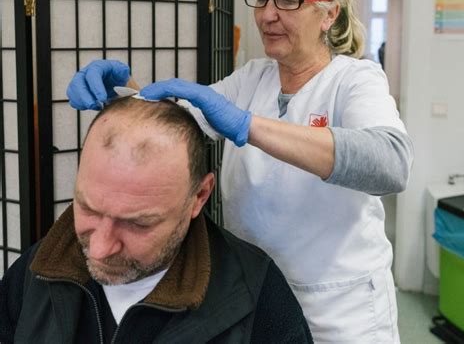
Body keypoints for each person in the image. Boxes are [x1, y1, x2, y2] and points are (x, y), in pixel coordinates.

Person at [66, 0, 414, 342]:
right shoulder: (253, 78)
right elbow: (177, 124)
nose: (267, 14)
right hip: (258, 294)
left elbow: (391, 163)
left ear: (328, 13)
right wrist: (123, 92)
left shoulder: (354, 80)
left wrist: (248, 124)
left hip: (337, 306)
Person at [0, 97, 312, 343]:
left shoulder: (254, 298)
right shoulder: (38, 272)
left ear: (199, 197)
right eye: (88, 209)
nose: (99, 249)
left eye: (137, 224)